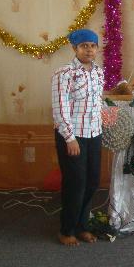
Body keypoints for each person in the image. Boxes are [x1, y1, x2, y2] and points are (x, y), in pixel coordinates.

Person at [51, 28, 104, 246]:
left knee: (92, 181)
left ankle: (82, 226)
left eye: (92, 46)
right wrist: (69, 137)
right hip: (73, 136)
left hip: (94, 133)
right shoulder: (64, 73)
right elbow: (60, 107)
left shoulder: (98, 72)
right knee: (76, 184)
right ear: (75, 48)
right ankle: (67, 230)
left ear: (97, 48)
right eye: (84, 46)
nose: (89, 50)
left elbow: (96, 102)